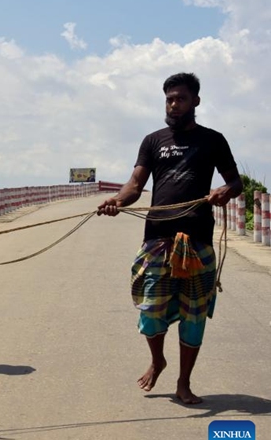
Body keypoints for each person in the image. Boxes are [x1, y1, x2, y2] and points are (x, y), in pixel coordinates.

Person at [98, 73, 242, 405]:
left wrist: (224, 191)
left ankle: (184, 382)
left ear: (195, 101)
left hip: (198, 239)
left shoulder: (213, 140)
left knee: (194, 315)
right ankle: (157, 359)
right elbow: (135, 184)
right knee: (151, 311)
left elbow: (236, 183)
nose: (174, 104)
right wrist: (117, 201)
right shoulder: (153, 141)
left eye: (180, 98)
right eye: (169, 99)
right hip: (157, 239)